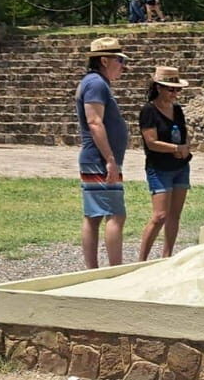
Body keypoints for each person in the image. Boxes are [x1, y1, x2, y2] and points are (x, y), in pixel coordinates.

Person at [75, 37, 130, 269]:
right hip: (99, 159)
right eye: (119, 60)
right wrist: (110, 159)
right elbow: (95, 122)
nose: (123, 66)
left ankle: (93, 269)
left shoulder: (96, 83)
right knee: (115, 214)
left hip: (98, 158)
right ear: (104, 61)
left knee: (94, 215)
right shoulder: (96, 84)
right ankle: (115, 269)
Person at [138, 67, 192, 261]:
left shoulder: (177, 109)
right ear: (159, 88)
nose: (175, 93)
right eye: (171, 89)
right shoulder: (149, 111)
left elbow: (184, 133)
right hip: (159, 167)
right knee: (160, 215)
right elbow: (151, 142)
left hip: (180, 166)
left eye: (178, 89)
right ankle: (141, 260)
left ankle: (167, 256)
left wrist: (185, 147)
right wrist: (175, 148)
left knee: (174, 215)